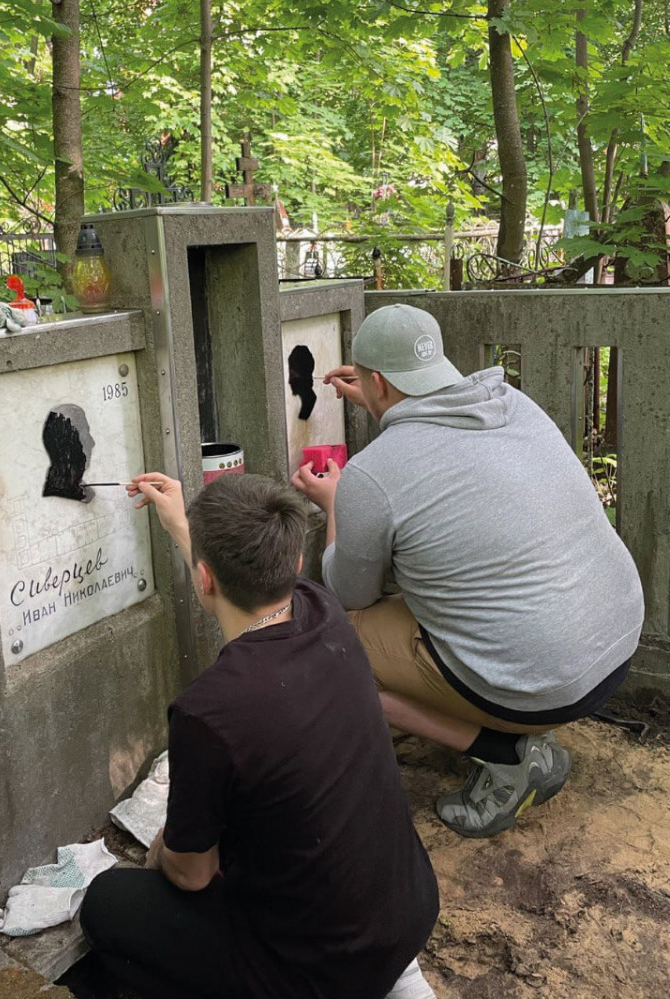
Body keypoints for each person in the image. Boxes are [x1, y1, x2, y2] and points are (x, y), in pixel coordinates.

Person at [79, 471, 439, 999]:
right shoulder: (326, 613)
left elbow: (192, 875)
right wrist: (183, 525)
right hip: (403, 915)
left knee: (107, 904)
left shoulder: (210, 710)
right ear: (294, 564)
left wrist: (164, 851)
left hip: (318, 969)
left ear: (204, 578)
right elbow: (240, 590)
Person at [292, 303, 644, 838]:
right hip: (612, 649)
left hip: (542, 685)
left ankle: (507, 756)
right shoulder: (513, 405)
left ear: (377, 382)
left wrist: (337, 502)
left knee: (333, 646)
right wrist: (386, 406)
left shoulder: (372, 476)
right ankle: (516, 720)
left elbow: (349, 595)